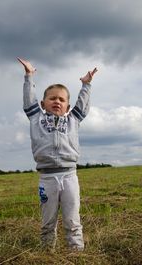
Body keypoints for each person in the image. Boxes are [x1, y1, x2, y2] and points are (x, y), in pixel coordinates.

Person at [17, 57, 97, 251]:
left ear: (67, 107)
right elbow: (29, 101)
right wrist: (29, 76)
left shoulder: (73, 120)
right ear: (43, 103)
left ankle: (76, 253)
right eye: (52, 98)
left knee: (72, 220)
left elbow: (82, 106)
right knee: (48, 221)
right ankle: (47, 253)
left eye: (62, 99)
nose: (57, 102)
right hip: (47, 178)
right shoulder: (36, 118)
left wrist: (86, 85)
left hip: (69, 176)